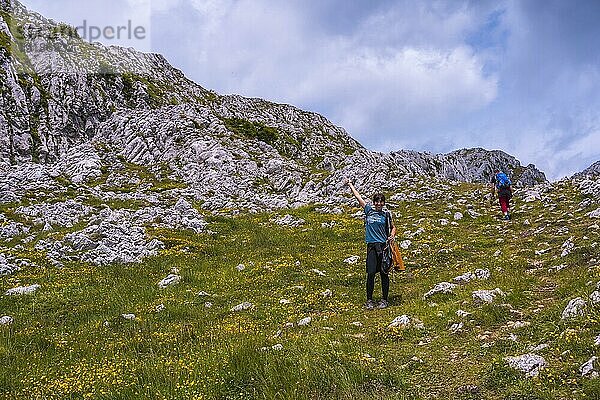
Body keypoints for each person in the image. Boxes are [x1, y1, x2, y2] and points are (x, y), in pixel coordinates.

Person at [345, 178, 396, 310]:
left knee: (384, 273)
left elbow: (393, 227)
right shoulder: (368, 210)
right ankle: (369, 300)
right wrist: (350, 184)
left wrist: (392, 235)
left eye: (381, 201)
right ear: (374, 202)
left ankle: (384, 300)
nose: (379, 203)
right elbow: (358, 196)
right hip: (372, 247)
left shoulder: (386, 214)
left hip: (383, 247)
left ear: (384, 203)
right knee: (371, 273)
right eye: (377, 201)